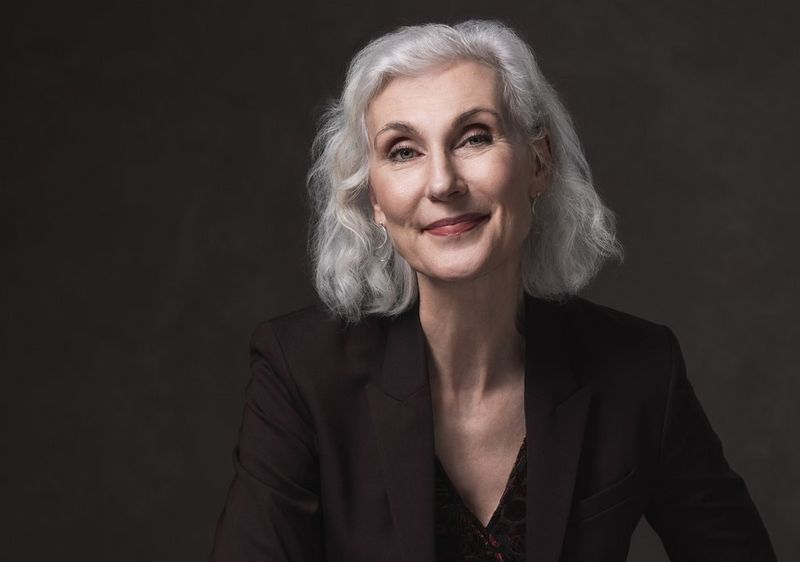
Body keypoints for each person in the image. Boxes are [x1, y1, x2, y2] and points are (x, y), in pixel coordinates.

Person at [211, 20, 776, 562]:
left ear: (538, 163)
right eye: (403, 151)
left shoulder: (642, 370)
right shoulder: (301, 373)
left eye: (474, 138)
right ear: (375, 202)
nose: (442, 183)